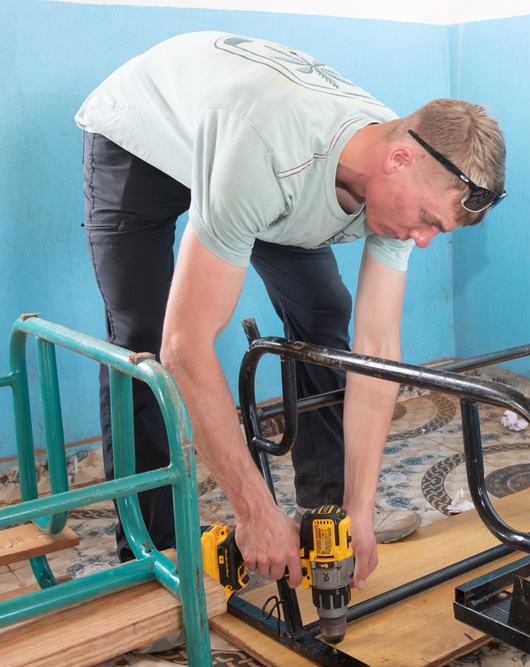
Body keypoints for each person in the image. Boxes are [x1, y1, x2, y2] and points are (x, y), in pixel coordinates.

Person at [75, 31, 506, 594]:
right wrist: (252, 509)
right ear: (399, 160)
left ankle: (326, 513)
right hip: (144, 130)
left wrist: (362, 509)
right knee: (146, 343)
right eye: (427, 219)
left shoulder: (403, 175)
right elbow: (186, 347)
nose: (423, 240)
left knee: (325, 312)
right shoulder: (270, 151)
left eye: (437, 229)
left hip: (248, 151)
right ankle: (150, 552)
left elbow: (377, 349)